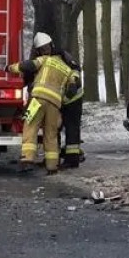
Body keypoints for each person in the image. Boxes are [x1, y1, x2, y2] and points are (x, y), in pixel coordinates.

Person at [8, 32, 75, 175]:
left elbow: (27, 66)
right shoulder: (67, 69)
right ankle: (52, 167)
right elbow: (73, 86)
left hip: (37, 99)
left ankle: (27, 160)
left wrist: (9, 68)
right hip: (55, 104)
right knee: (51, 133)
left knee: (30, 125)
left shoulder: (44, 60)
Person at [20, 41, 85, 169]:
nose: (45, 51)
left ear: (51, 46)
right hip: (54, 100)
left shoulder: (60, 58)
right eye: (42, 49)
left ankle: (72, 159)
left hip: (71, 99)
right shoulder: (40, 61)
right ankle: (51, 162)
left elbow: (75, 73)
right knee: (52, 130)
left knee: (70, 128)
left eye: (46, 48)